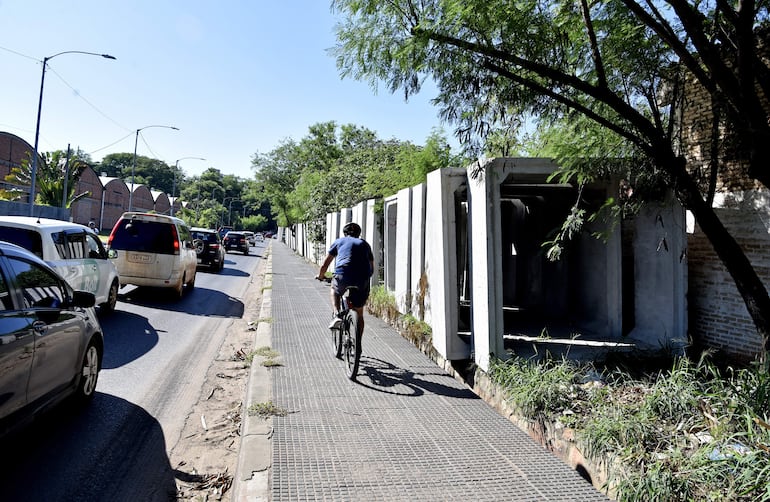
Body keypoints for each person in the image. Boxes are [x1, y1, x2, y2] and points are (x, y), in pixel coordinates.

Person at [316, 222, 374, 332]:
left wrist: (321, 276)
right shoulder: (365, 244)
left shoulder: (339, 242)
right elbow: (372, 266)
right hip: (362, 277)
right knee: (359, 313)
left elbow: (325, 264)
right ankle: (358, 347)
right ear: (359, 233)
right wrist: (366, 278)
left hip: (343, 273)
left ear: (345, 233)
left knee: (334, 289)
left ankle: (337, 314)